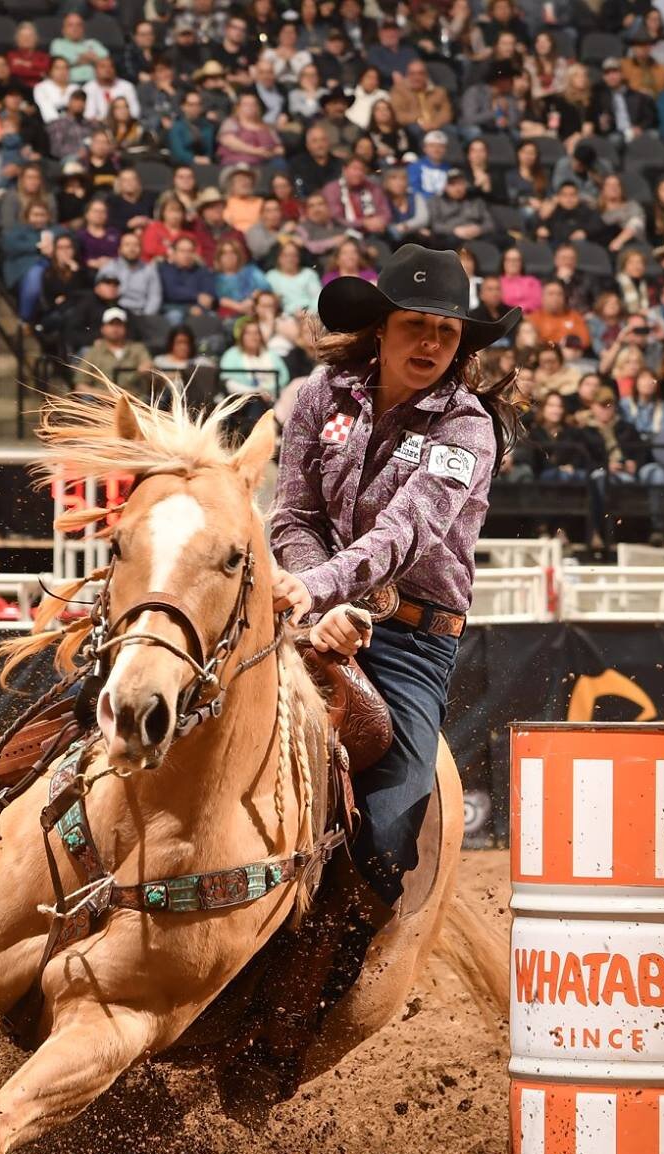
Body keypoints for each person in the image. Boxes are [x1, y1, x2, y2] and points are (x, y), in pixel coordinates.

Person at [271, 243, 518, 911]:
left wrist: (318, 589)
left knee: (386, 836)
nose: (430, 341)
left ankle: (330, 978)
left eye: (446, 330)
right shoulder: (319, 395)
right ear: (380, 327)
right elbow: (292, 515)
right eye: (416, 324)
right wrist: (313, 598)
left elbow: (403, 534)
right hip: (307, 611)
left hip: (410, 642)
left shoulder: (468, 428)